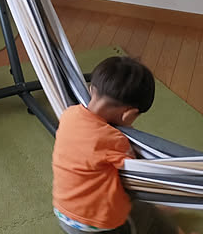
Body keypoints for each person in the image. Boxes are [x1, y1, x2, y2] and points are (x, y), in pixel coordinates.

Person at [52, 56, 189, 234]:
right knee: (144, 216)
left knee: (141, 208)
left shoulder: (69, 114)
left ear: (91, 89)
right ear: (129, 114)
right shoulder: (114, 140)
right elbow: (135, 172)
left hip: (64, 212)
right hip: (99, 223)